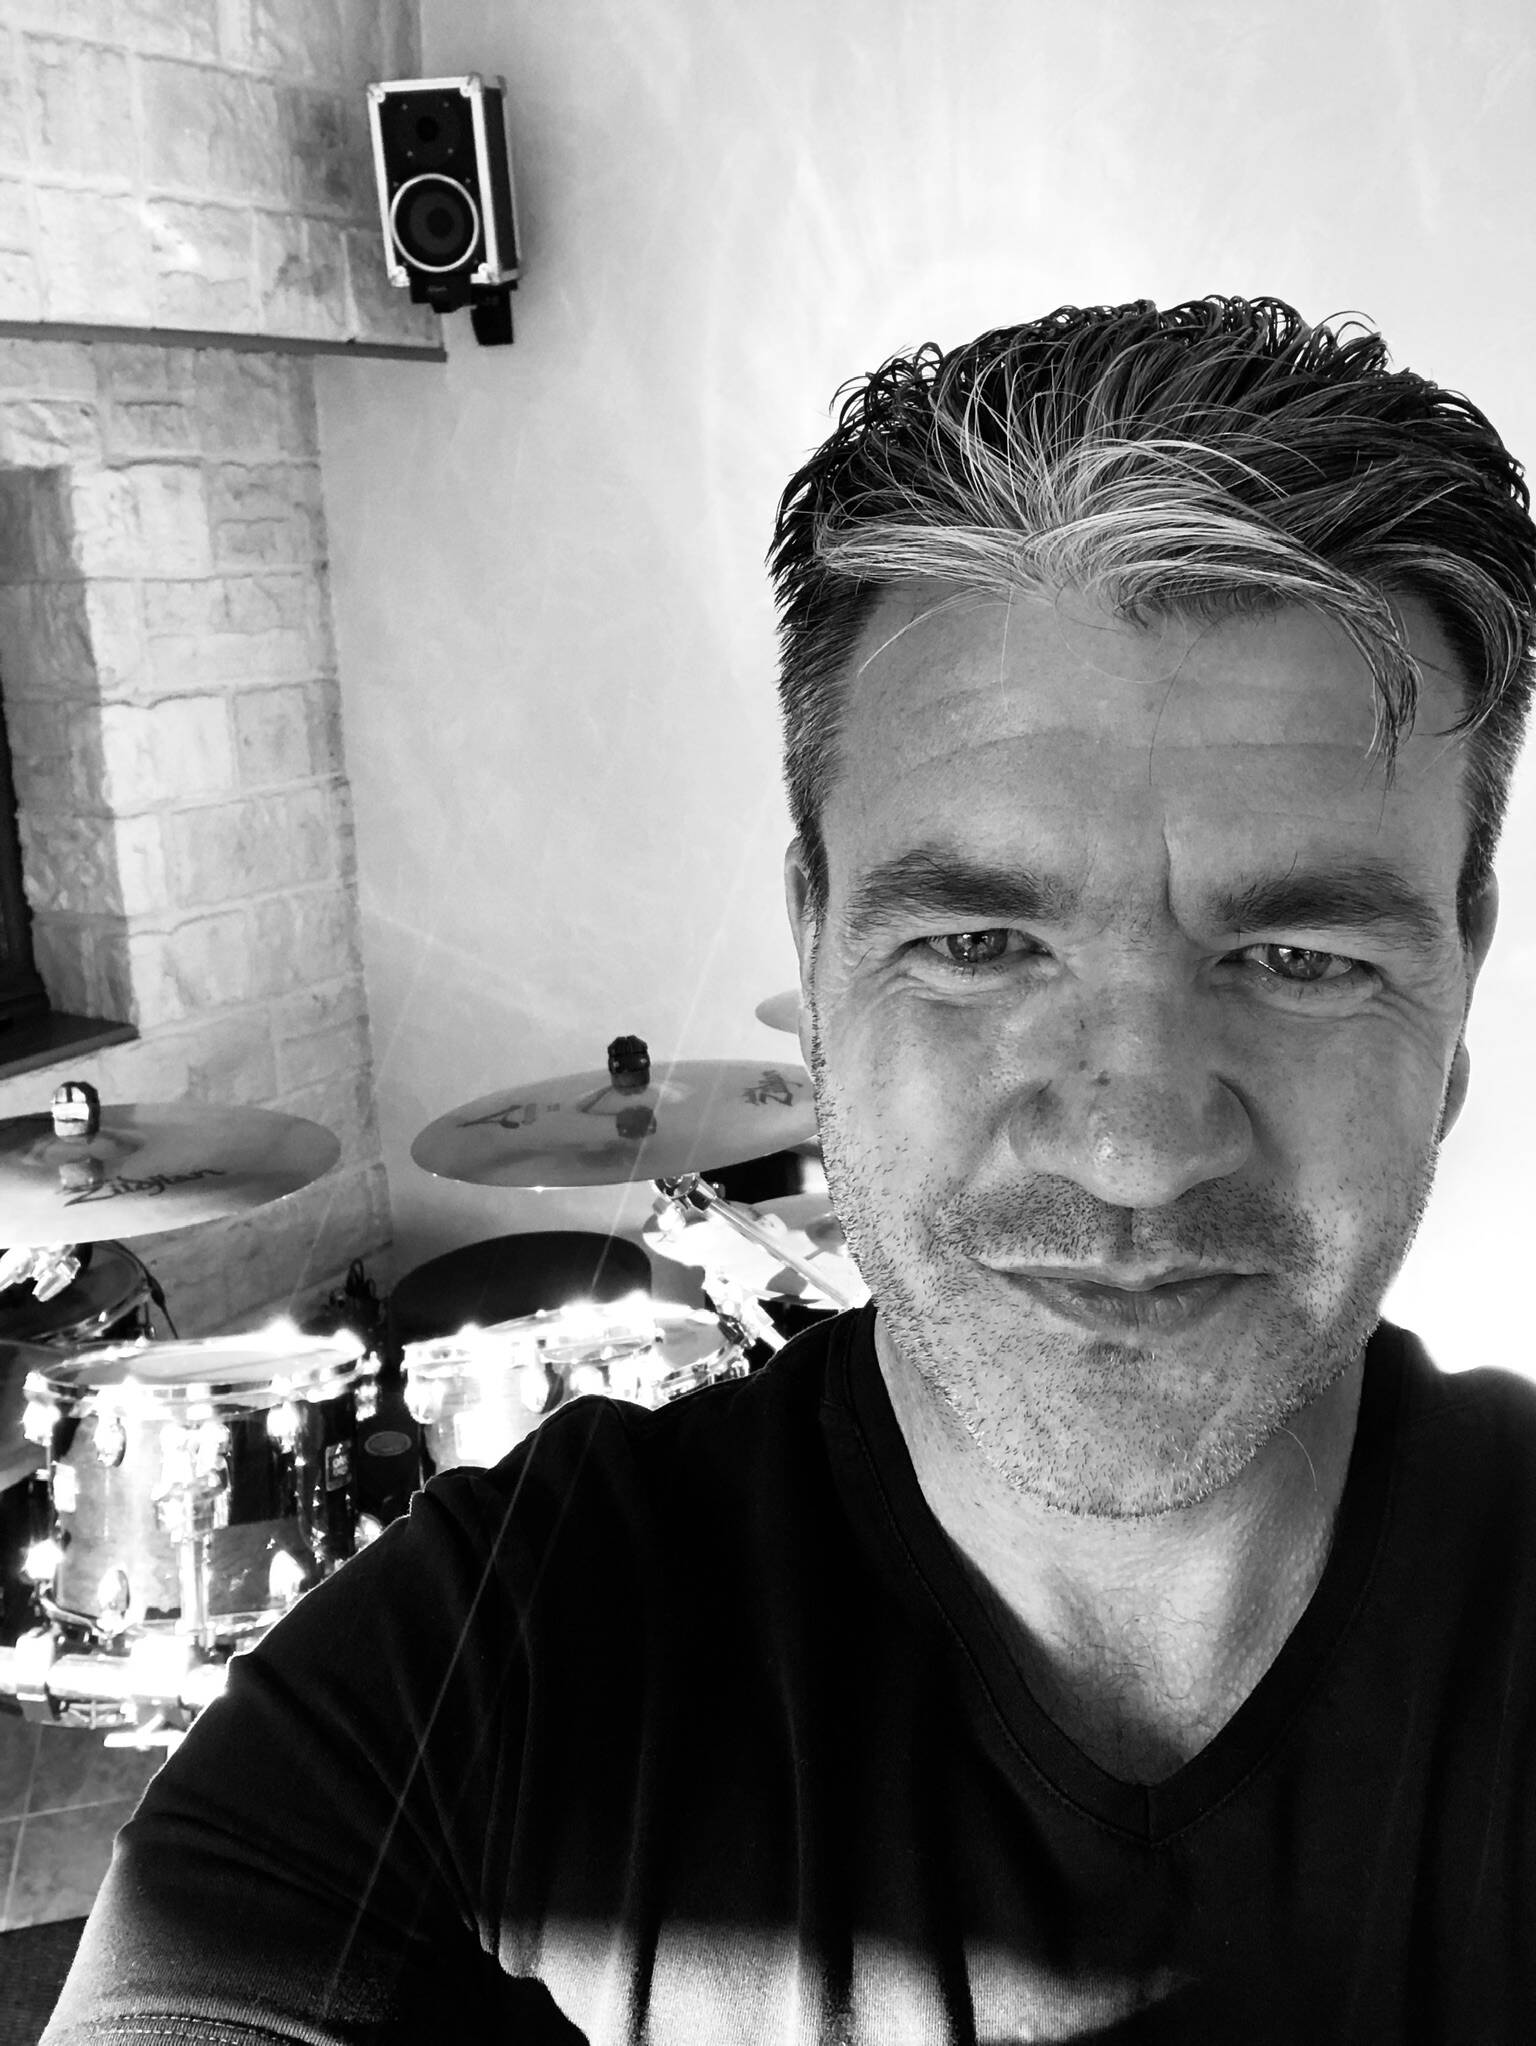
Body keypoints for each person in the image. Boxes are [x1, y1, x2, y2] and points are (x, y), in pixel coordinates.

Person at [44, 298, 1536, 2042]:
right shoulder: (474, 1677)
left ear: (1460, 981)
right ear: (816, 954)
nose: (1131, 1148)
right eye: (977, 942)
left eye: (1298, 958)